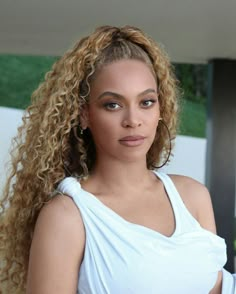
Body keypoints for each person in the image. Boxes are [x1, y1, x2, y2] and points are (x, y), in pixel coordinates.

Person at [0, 25, 235, 294]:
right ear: (84, 115)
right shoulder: (68, 217)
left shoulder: (193, 197)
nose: (133, 120)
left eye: (146, 102)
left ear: (161, 108)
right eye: (113, 104)